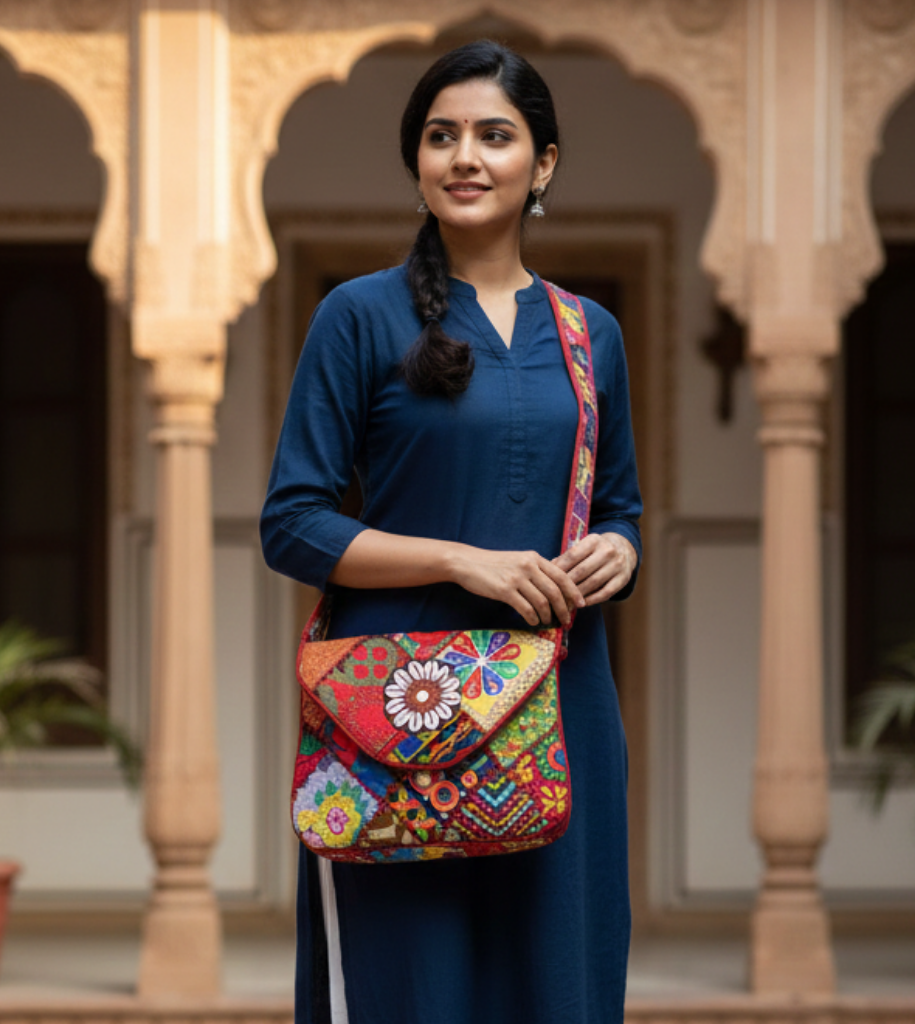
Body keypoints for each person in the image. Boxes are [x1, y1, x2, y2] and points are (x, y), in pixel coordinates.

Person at [260, 39, 642, 1024]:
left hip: (560, 709)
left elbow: (619, 506)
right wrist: (458, 560)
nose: (464, 156)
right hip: (399, 719)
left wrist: (621, 550)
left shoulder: (586, 332)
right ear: (417, 163)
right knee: (410, 993)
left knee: (557, 986)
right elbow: (291, 523)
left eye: (493, 135)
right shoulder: (358, 317)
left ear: (542, 163)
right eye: (441, 136)